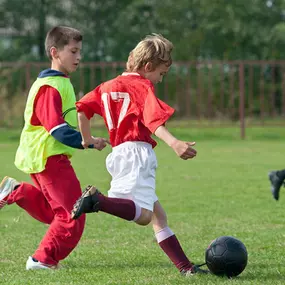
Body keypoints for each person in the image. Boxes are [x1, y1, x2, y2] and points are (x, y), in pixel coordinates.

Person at [71, 34, 209, 276]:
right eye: (161, 74)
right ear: (147, 67)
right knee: (144, 216)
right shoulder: (142, 86)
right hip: (137, 152)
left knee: (158, 216)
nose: (160, 80)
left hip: (119, 153)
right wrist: (174, 143)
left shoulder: (106, 87)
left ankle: (186, 269)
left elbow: (81, 109)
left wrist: (88, 139)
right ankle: (97, 201)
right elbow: (153, 121)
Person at [0, 26, 108, 270]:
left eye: (80, 51)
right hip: (48, 158)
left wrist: (87, 138)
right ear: (54, 52)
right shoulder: (51, 86)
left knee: (55, 214)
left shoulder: (59, 82)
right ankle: (41, 260)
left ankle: (15, 191)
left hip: (43, 156)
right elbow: (56, 129)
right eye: (73, 51)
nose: (79, 57)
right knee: (73, 216)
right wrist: (87, 141)